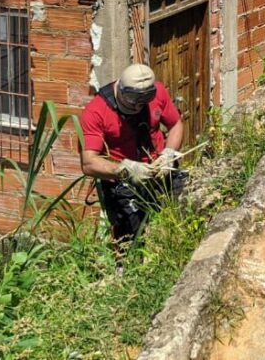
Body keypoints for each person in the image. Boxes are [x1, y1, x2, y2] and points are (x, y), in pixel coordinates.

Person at [79, 63, 185, 242]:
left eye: (142, 104)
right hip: (125, 183)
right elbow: (88, 163)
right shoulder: (96, 112)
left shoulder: (158, 92)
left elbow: (175, 124)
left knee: (181, 218)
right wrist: (125, 170)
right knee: (135, 239)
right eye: (133, 103)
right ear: (120, 89)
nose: (137, 108)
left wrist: (168, 154)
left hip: (160, 170)